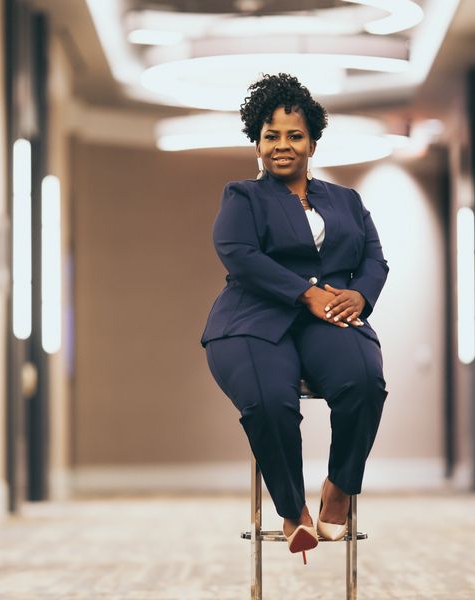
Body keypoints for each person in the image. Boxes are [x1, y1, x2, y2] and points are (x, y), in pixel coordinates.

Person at [200, 73, 390, 564]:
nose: (282, 145)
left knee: (364, 382)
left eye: (294, 135)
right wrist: (305, 293)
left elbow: (374, 258)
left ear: (312, 142)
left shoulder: (346, 200)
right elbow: (238, 253)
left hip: (331, 317)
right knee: (267, 400)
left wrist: (359, 296)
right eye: (271, 136)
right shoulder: (242, 196)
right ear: (257, 143)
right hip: (252, 319)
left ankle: (340, 487)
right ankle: (292, 511)